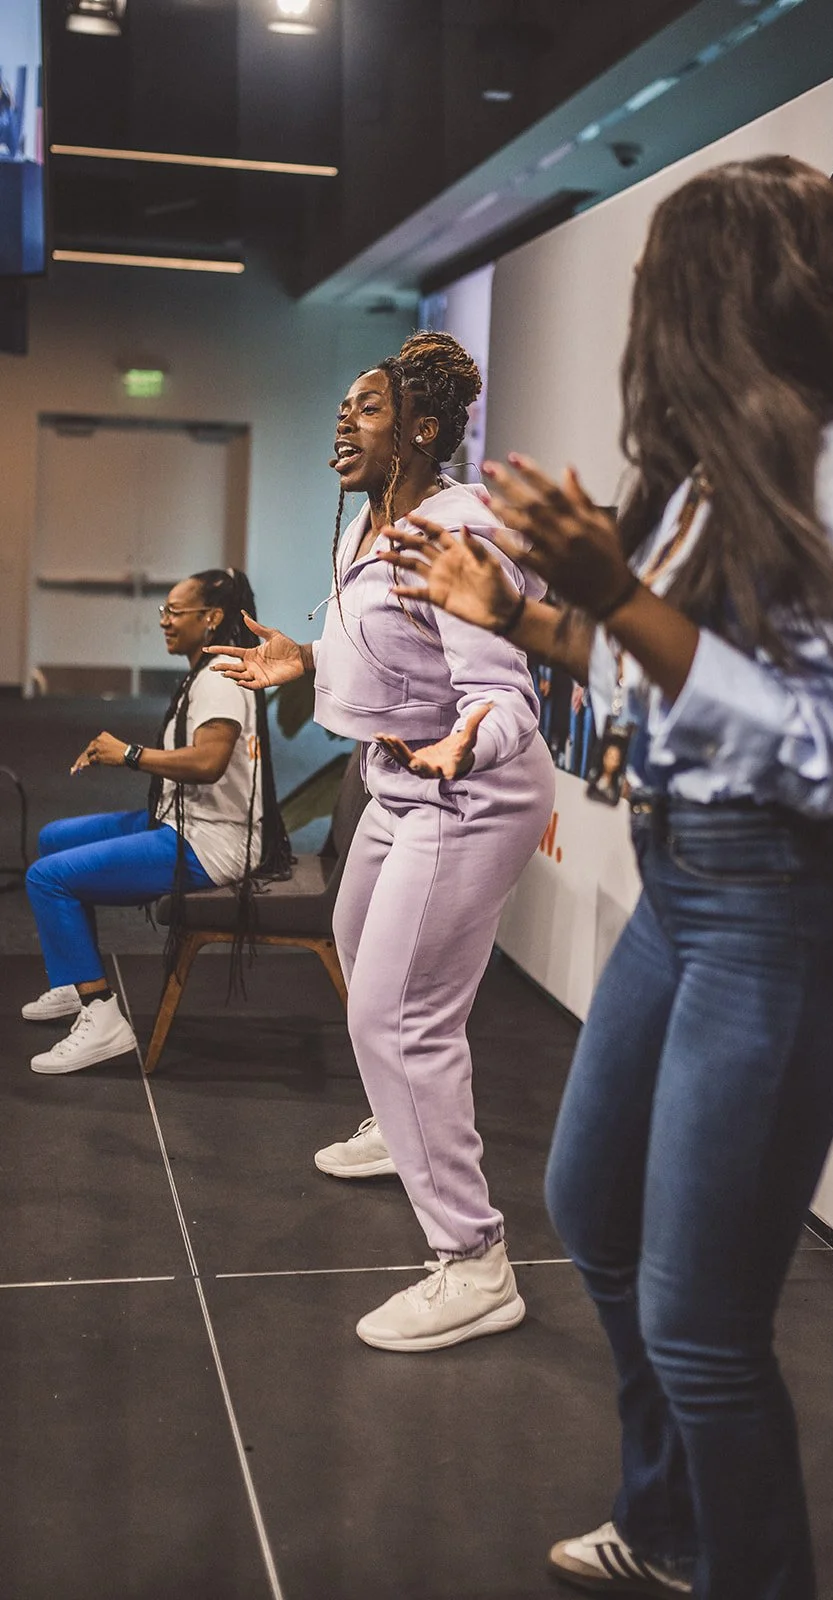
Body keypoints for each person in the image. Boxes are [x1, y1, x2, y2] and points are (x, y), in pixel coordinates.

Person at [387, 156, 833, 1600]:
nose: (648, 314)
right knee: (588, 1206)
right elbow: (669, 686)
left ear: (731, 298)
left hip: (786, 904)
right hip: (689, 883)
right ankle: (669, 1522)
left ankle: (735, 1563)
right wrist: (525, 614)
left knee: (704, 1318)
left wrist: (617, 595)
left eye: (661, 285)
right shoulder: (715, 474)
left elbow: (824, 749)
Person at [210, 331, 554, 1352]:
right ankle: (396, 1127)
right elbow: (386, 639)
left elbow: (508, 700)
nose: (342, 423)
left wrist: (460, 746)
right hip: (396, 782)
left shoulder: (455, 536)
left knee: (396, 1018)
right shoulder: (370, 522)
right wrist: (304, 656)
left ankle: (473, 1260)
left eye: (364, 408)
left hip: (467, 788)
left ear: (422, 429)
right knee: (362, 956)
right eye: (344, 407)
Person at [22, 568, 290, 1074]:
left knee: (47, 877)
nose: (164, 621)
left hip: (212, 843)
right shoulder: (208, 670)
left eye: (174, 612)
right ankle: (72, 982)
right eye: (162, 611)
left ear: (210, 619)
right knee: (52, 838)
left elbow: (208, 763)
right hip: (185, 820)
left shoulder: (218, 679)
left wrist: (128, 754)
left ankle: (101, 1015)